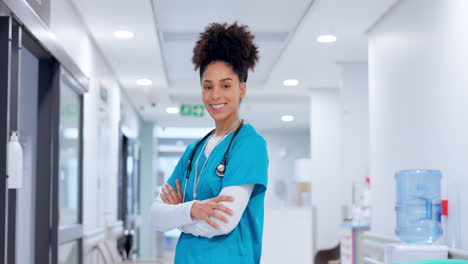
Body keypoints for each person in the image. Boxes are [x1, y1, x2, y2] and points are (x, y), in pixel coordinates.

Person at [150, 22, 269, 264]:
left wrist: (179, 215)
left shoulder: (249, 145)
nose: (215, 95)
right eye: (208, 86)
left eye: (226, 85)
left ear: (242, 89)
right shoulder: (194, 151)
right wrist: (193, 210)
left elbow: (223, 221)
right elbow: (155, 217)